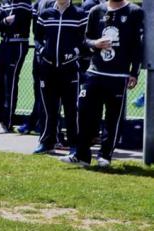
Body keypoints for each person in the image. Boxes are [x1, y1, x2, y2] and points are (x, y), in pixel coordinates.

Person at [60, 0, 144, 167]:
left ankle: (105, 155)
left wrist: (134, 72)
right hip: (94, 72)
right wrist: (95, 43)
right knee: (83, 112)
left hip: (118, 75)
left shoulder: (134, 11)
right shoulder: (96, 10)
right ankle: (81, 155)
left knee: (113, 118)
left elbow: (137, 46)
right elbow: (85, 40)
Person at [31, 0, 87, 154]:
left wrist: (75, 52)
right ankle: (46, 142)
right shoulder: (45, 14)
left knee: (71, 109)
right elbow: (37, 38)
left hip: (69, 69)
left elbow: (84, 40)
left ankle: (74, 145)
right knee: (48, 109)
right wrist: (42, 51)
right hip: (47, 69)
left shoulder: (79, 14)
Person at [0, 0, 31, 134]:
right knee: (0, 85)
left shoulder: (23, 3)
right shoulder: (4, 3)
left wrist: (4, 23)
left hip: (17, 45)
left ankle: (6, 123)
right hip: (4, 44)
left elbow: (19, 24)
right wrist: (4, 22)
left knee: (11, 84)